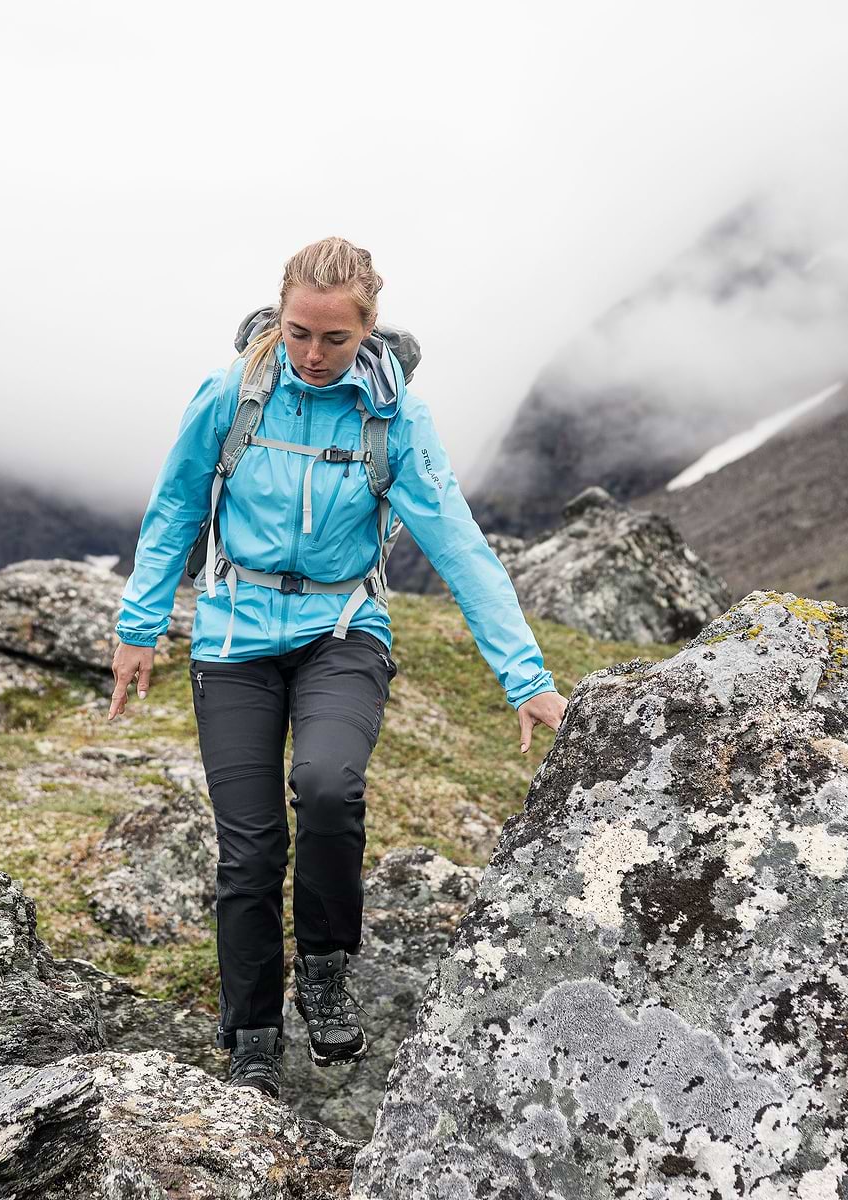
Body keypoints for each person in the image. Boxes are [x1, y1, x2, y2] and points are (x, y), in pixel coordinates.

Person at [108, 236, 568, 1099]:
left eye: (334, 340)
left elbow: (459, 547)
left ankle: (324, 966)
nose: (313, 356)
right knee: (249, 852)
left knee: (327, 787)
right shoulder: (231, 397)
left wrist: (526, 676)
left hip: (342, 629)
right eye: (298, 334)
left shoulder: (395, 421)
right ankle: (250, 1035)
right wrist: (140, 627)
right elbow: (173, 506)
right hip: (234, 637)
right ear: (278, 318)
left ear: (369, 333)